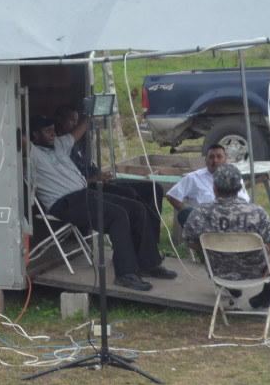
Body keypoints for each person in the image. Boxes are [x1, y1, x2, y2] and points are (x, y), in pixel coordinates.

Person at [27, 115, 176, 291]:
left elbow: (77, 131)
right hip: (64, 203)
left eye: (53, 129)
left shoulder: (59, 145)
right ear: (35, 135)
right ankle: (125, 274)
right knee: (118, 215)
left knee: (137, 208)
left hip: (84, 193)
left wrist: (91, 114)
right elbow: (20, 139)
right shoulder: (31, 153)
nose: (53, 133)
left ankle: (148, 264)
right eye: (47, 131)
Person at [182, 163, 270, 309]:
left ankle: (231, 287)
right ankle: (268, 294)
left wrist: (209, 252)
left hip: (219, 271)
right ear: (240, 188)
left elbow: (188, 240)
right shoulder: (256, 213)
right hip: (256, 272)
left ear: (214, 188)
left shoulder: (200, 213)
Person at [53, 104, 166, 227]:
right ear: (59, 119)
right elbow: (70, 180)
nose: (74, 125)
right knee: (129, 195)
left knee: (155, 188)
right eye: (71, 120)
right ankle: (136, 238)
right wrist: (92, 179)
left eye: (76, 121)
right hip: (88, 187)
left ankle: (151, 238)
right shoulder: (56, 147)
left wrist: (101, 175)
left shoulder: (75, 143)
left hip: (99, 178)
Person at [166, 143, 249, 227]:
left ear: (225, 159)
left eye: (219, 157)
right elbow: (172, 195)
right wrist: (189, 214)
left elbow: (245, 200)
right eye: (211, 157)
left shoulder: (233, 177)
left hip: (232, 222)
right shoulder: (193, 177)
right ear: (205, 160)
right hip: (204, 224)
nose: (215, 160)